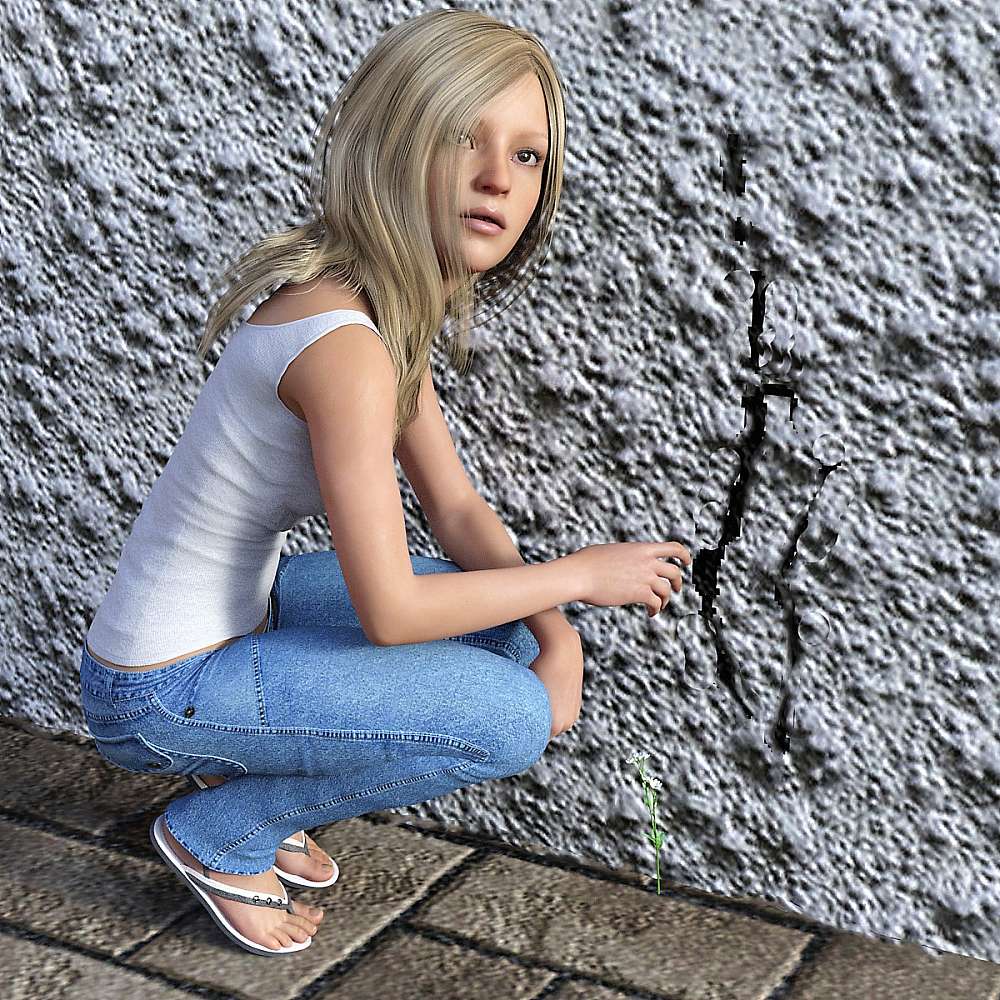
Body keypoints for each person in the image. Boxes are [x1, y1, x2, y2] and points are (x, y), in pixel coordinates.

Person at [77, 9, 690, 958]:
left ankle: (240, 781)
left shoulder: (373, 310)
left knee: (500, 623)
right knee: (511, 718)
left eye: (528, 156)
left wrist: (555, 633)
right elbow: (393, 612)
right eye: (462, 136)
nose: (498, 177)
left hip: (237, 627)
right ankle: (224, 827)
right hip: (157, 695)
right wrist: (578, 577)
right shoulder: (348, 352)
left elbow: (456, 507)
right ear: (395, 144)